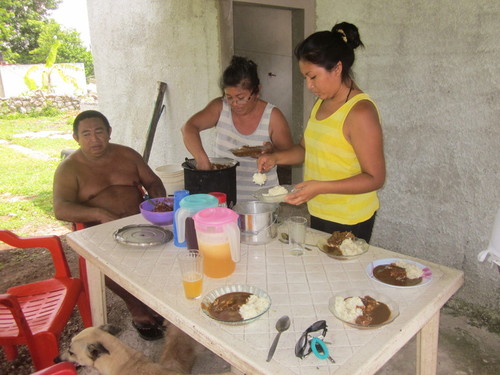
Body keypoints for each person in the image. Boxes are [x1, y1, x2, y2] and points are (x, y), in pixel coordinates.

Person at [257, 22, 385, 242]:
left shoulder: (360, 112)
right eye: (305, 78)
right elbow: (305, 150)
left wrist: (321, 187)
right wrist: (275, 157)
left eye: (313, 77)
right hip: (320, 211)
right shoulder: (321, 103)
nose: (309, 86)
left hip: (350, 217)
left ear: (337, 68)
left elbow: (375, 178)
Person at [53, 110, 167, 340]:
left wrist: (157, 203)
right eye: (86, 134)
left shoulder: (127, 155)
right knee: (103, 267)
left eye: (99, 132)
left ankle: (159, 301)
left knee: (169, 252)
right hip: (99, 233)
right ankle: (136, 306)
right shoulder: (69, 169)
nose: (94, 139)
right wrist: (98, 212)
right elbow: (61, 208)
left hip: (140, 224)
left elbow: (153, 181)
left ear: (109, 133)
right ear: (76, 137)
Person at [181, 55, 294, 202]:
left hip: (261, 200)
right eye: (229, 97)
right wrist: (202, 159)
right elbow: (188, 128)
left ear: (257, 91)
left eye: (241, 98)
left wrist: (271, 152)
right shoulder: (220, 108)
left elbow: (290, 156)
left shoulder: (272, 116)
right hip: (223, 197)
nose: (234, 103)